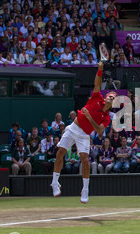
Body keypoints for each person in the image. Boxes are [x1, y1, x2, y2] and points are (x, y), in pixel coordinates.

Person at [50, 62, 117, 203]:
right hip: (73, 128)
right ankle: (55, 182)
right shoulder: (97, 97)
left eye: (113, 98)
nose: (110, 97)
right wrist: (100, 70)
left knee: (85, 160)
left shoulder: (106, 118)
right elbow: (97, 83)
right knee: (60, 153)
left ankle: (85, 189)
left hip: (84, 135)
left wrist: (89, 117)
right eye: (110, 95)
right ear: (106, 97)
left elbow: (99, 131)